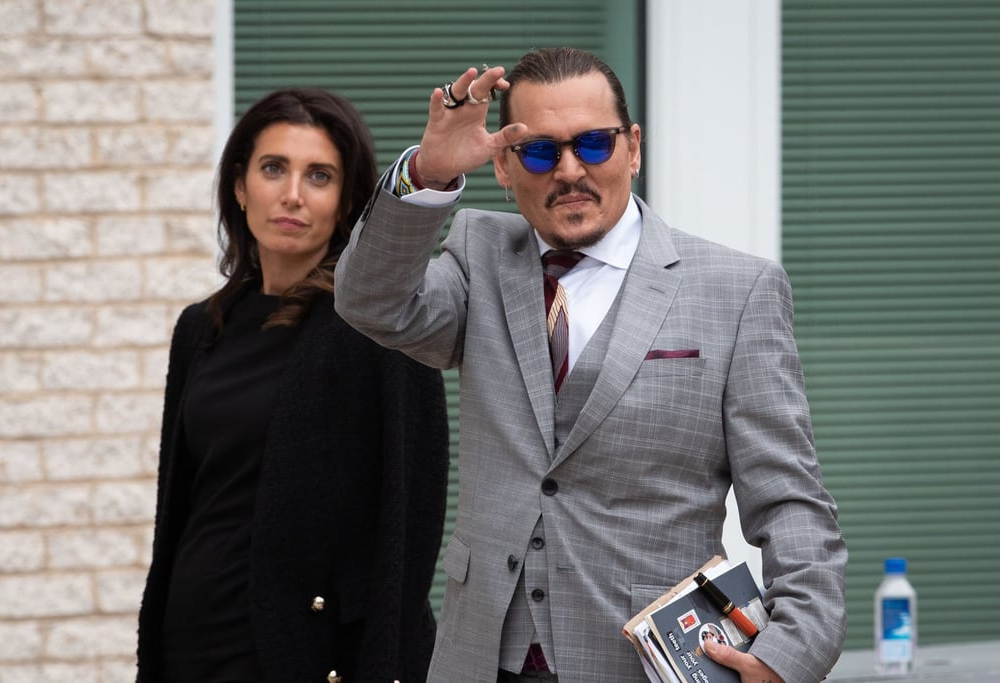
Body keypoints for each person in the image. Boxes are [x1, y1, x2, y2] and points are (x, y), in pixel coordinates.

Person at [334, 47, 847, 683]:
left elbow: (790, 501)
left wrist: (788, 654)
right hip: (480, 657)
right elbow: (371, 303)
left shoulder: (737, 291)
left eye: (594, 145)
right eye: (541, 151)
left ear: (633, 148)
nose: (570, 170)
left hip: (645, 662)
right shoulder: (479, 254)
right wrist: (428, 174)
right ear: (503, 163)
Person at [136, 87, 450, 683]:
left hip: (308, 655)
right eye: (273, 168)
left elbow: (409, 526)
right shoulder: (200, 328)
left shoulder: (378, 328)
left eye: (320, 176)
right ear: (239, 186)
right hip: (191, 642)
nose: (292, 195)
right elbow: (179, 509)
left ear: (346, 200)